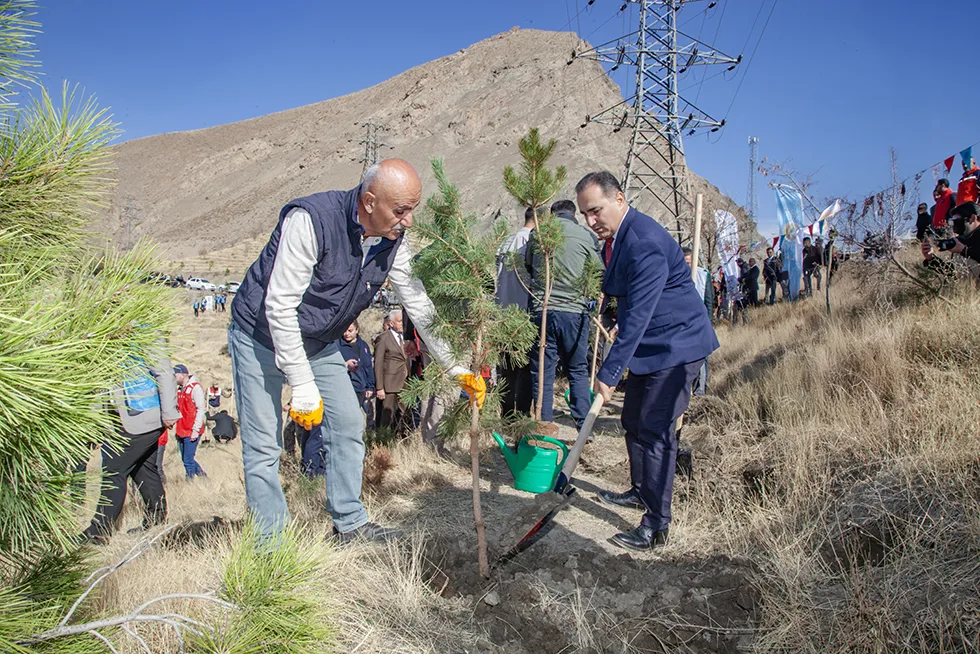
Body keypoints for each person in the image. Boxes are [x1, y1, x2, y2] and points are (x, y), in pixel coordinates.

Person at [227, 159, 479, 543]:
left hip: (319, 340)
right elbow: (279, 307)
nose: (408, 221)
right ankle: (270, 545)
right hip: (260, 334)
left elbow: (418, 302)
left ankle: (349, 523)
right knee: (264, 444)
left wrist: (454, 367)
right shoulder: (311, 221)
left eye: (412, 209)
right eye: (400, 211)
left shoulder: (392, 240)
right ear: (368, 200)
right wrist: (303, 385)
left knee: (347, 423)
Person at [577, 171, 719, 551]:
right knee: (632, 420)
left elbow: (638, 316)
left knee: (655, 429)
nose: (591, 221)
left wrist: (609, 373)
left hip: (677, 346)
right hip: (652, 345)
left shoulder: (644, 242)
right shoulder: (620, 236)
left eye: (595, 211)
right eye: (585, 215)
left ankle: (656, 525)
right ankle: (641, 490)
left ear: (619, 199)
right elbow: (622, 292)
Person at [81, 351, 178, 544]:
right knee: (142, 470)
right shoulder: (108, 337)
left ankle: (98, 531)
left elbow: (164, 371)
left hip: (143, 414)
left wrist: (169, 411)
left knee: (113, 469)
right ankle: (156, 520)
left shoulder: (144, 329)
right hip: (123, 419)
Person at [525, 199, 602, 429]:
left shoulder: (539, 233)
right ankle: (583, 426)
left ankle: (543, 425)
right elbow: (597, 271)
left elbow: (529, 266)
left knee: (543, 370)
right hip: (574, 311)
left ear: (552, 213)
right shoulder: (586, 236)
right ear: (574, 213)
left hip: (543, 310)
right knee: (577, 369)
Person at [495, 205, 537, 417]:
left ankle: (505, 413)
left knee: (506, 371)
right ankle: (520, 414)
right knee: (525, 370)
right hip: (523, 315)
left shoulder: (506, 241)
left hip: (502, 314)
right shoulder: (532, 242)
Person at [374, 309, 410, 436]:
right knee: (386, 416)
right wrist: (379, 387)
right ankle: (382, 441)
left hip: (405, 383)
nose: (402, 324)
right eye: (399, 321)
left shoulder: (406, 338)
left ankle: (400, 439)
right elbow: (378, 364)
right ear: (390, 323)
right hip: (389, 385)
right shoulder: (383, 339)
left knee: (404, 415)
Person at [922, 201, 980, 275]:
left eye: (956, 221)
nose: (953, 225)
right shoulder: (960, 240)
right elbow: (952, 273)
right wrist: (931, 258)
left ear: (972, 218)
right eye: (951, 222)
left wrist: (964, 250)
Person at [173, 364, 207, 480]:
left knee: (188, 459)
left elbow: (200, 409)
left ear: (183, 374)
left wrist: (195, 430)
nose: (173, 377)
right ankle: (203, 477)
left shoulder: (195, 388)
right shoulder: (179, 390)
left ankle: (190, 482)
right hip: (182, 429)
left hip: (192, 430)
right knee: (185, 458)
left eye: (175, 375)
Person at [337, 320, 375, 422]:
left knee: (368, 418)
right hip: (346, 388)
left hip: (362, 388)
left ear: (357, 330)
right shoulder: (337, 346)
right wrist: (345, 364)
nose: (347, 334)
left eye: (350, 330)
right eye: (344, 331)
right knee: (348, 419)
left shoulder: (363, 345)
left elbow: (368, 367)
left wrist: (370, 386)